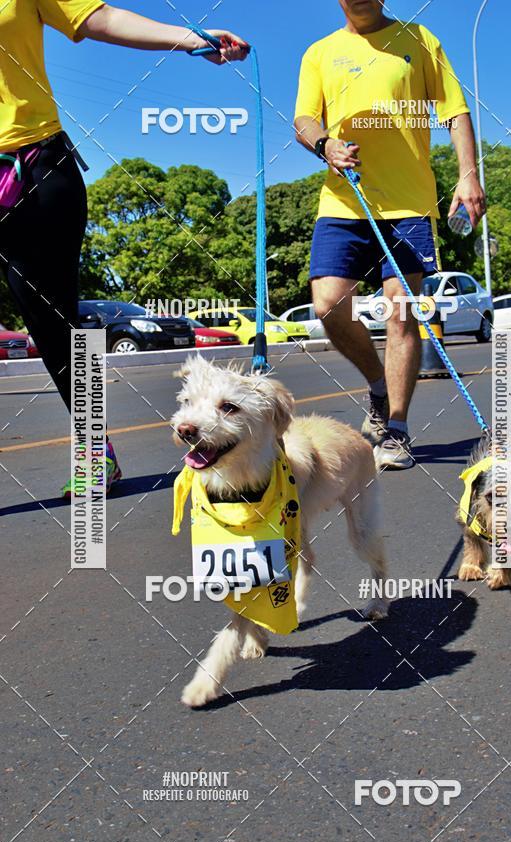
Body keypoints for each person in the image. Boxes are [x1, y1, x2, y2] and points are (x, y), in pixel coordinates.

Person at [0, 2, 249, 495]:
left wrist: (190, 37)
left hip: (34, 167)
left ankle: (96, 454)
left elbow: (100, 18)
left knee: (56, 327)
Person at [294, 0, 485, 469]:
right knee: (328, 305)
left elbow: (455, 112)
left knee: (400, 312)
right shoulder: (319, 51)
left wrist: (468, 174)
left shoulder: (420, 41)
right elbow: (303, 120)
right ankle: (379, 383)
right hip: (344, 200)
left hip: (409, 204)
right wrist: (325, 144)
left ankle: (396, 429)